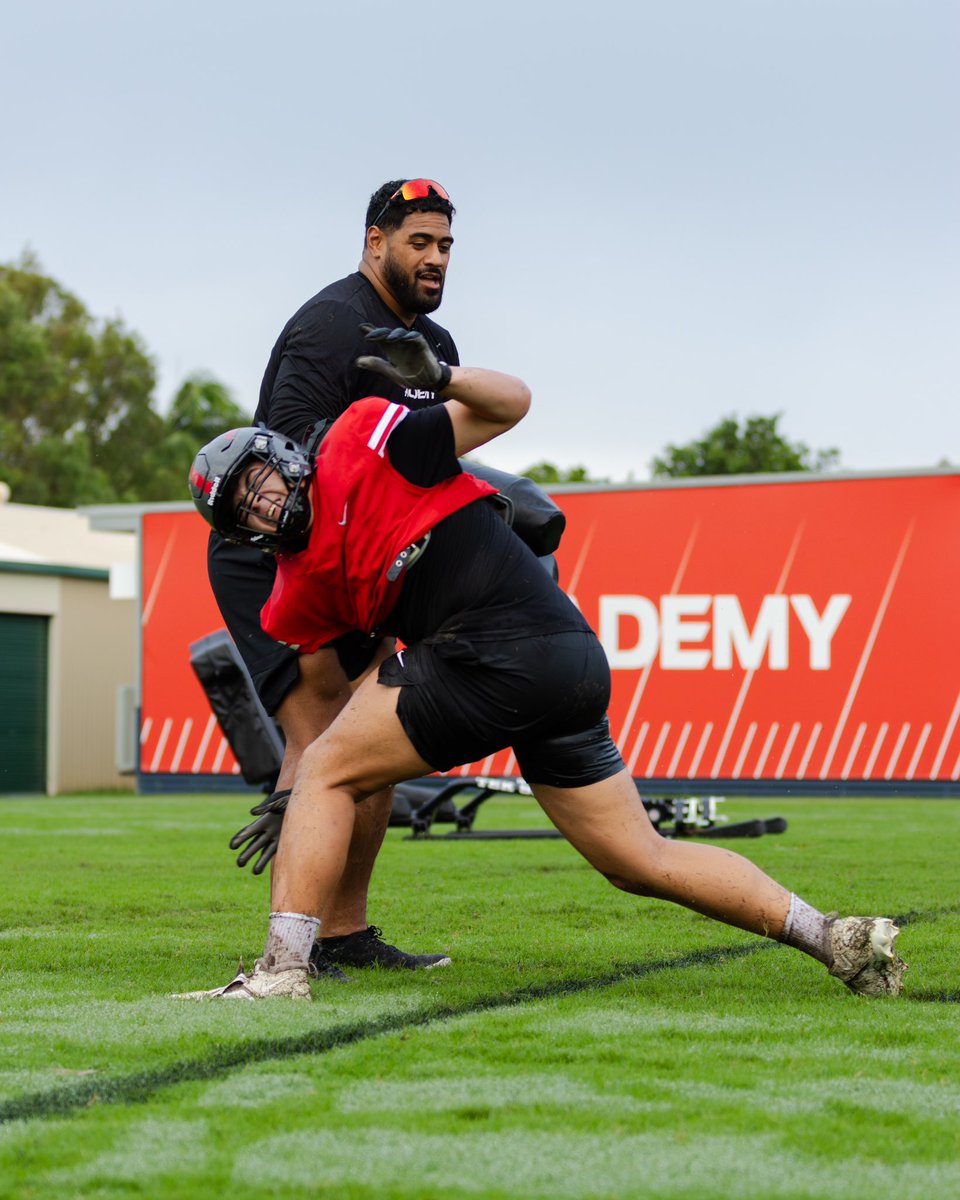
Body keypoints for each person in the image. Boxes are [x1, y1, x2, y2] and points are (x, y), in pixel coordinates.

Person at [180, 328, 907, 1002]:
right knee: (636, 860)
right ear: (237, 533)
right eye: (240, 507)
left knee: (331, 774)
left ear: (283, 457)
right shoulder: (291, 596)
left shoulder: (362, 441)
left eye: (257, 481)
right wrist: (297, 796)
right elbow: (329, 710)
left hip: (505, 644)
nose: (261, 504)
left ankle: (281, 971)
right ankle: (833, 938)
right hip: (554, 658)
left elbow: (512, 403)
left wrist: (444, 377)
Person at [206, 179, 465, 978]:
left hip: (357, 559)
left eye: (445, 245)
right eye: (418, 241)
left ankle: (344, 934)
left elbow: (429, 460)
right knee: (321, 738)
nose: (433, 258)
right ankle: (290, 950)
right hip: (273, 554)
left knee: (372, 742)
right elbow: (280, 465)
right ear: (374, 241)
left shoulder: (436, 347)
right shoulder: (330, 325)